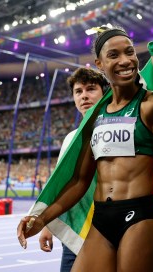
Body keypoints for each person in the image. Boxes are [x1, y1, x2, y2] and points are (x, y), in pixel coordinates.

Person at [17, 17, 153, 271]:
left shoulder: (151, 104)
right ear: (100, 64)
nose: (125, 60)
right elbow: (80, 182)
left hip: (140, 216)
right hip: (102, 219)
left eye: (129, 52)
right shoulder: (95, 117)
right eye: (113, 55)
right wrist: (41, 218)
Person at [38, 67, 107, 271]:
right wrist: (48, 225)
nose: (84, 96)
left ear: (105, 93)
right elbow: (63, 184)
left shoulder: (117, 130)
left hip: (110, 228)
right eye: (78, 91)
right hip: (77, 229)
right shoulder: (70, 138)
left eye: (91, 89)